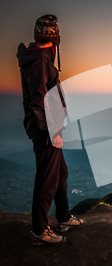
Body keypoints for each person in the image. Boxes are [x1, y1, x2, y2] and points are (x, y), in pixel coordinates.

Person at [17, 14, 84, 245]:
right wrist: (52, 132)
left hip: (46, 126)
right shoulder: (41, 58)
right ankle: (39, 230)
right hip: (45, 129)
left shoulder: (35, 54)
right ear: (55, 38)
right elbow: (38, 99)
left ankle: (63, 217)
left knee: (60, 173)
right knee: (47, 178)